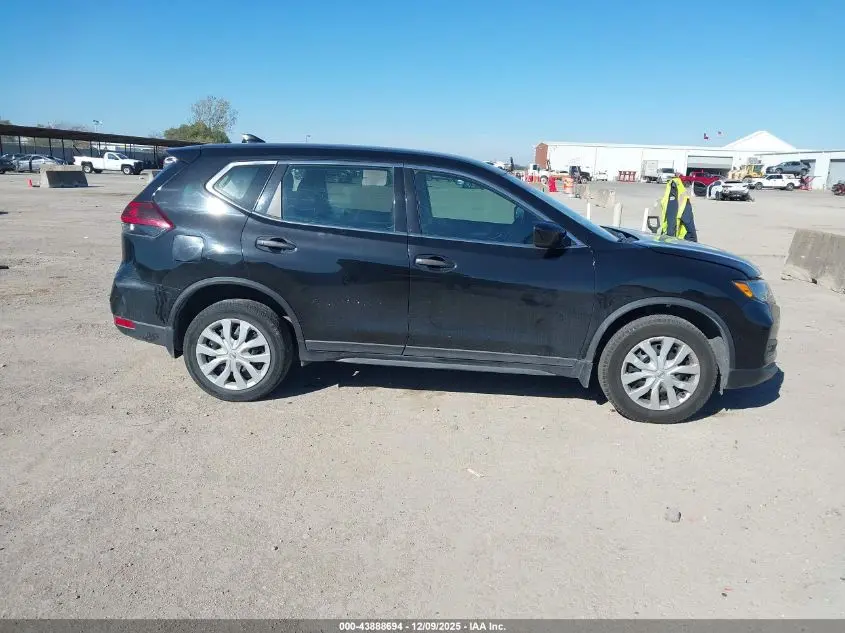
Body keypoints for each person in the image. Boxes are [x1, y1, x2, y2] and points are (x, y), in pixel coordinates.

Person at [658, 177, 698, 242]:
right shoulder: (684, 201)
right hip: (678, 240)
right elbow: (690, 228)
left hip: (665, 236)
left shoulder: (665, 200)